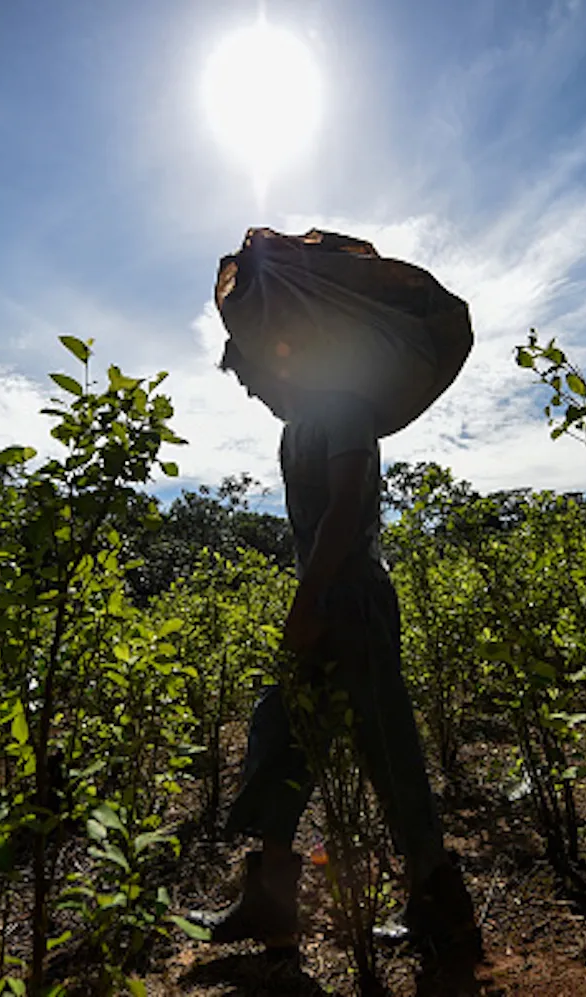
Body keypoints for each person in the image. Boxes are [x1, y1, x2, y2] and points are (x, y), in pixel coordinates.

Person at [186, 340, 481, 962]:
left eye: (253, 378)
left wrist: (310, 600)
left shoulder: (342, 407)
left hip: (352, 601)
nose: (254, 393)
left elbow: (347, 505)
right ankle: (270, 901)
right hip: (323, 596)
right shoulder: (296, 428)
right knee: (280, 727)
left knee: (386, 746)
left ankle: (439, 906)